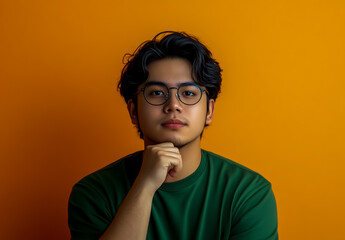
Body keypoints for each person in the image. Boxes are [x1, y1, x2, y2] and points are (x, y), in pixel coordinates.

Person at [68, 31, 278, 240]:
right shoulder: (94, 193)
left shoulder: (248, 193)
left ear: (209, 111)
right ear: (134, 111)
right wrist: (145, 185)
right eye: (157, 93)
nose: (173, 105)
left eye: (188, 93)